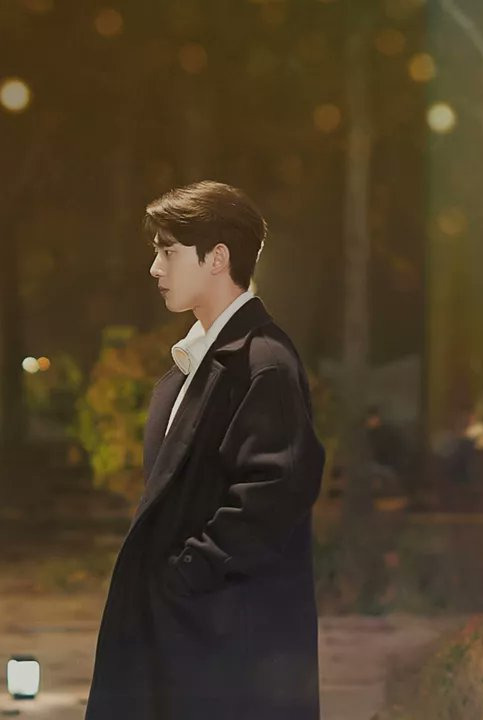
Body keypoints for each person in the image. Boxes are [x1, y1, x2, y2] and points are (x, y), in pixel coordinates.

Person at [86, 180, 326, 720]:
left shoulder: (263, 362)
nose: (155, 268)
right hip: (188, 638)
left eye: (168, 251)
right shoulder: (193, 364)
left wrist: (184, 576)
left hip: (225, 648)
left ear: (217, 257)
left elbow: (272, 495)